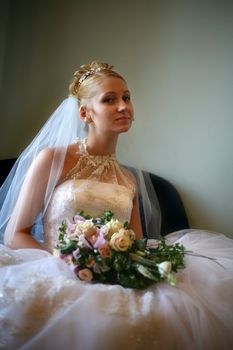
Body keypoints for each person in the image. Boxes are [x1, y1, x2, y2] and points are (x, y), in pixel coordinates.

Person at [0, 61, 232, 350]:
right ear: (85, 113)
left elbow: (135, 243)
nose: (123, 106)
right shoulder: (53, 159)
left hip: (111, 279)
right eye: (110, 100)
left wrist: (129, 266)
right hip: (56, 270)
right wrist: (66, 264)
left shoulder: (128, 179)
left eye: (126, 97)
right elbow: (15, 234)